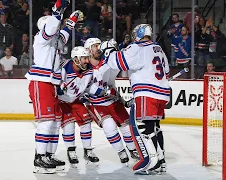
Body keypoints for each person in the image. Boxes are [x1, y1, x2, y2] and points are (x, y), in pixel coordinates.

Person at [25, 0, 84, 174]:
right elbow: (52, 29)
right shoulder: (41, 39)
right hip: (41, 82)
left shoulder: (54, 42)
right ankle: (40, 159)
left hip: (51, 84)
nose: (58, 29)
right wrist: (58, 12)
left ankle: (47, 156)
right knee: (47, 122)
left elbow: (63, 34)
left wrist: (71, 20)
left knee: (55, 122)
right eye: (55, 26)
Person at [101, 24, 170, 174]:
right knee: (155, 128)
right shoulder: (159, 49)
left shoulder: (137, 47)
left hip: (146, 93)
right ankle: (161, 160)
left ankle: (152, 162)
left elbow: (118, 62)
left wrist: (110, 51)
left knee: (142, 128)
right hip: (162, 92)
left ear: (138, 34)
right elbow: (167, 72)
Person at [83, 38, 140, 165]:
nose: (99, 48)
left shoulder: (108, 61)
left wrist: (117, 49)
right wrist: (103, 92)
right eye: (95, 46)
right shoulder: (85, 66)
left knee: (126, 127)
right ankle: (121, 151)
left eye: (99, 45)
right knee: (109, 126)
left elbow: (120, 66)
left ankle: (133, 150)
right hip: (96, 104)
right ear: (88, 50)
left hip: (113, 101)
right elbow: (84, 86)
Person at [57, 46, 100, 167]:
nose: (87, 61)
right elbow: (55, 82)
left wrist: (98, 92)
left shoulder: (89, 69)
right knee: (69, 126)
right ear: (76, 59)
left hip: (76, 100)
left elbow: (89, 86)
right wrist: (57, 88)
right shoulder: (64, 68)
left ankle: (88, 150)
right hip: (63, 102)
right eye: (84, 58)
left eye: (87, 58)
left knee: (86, 122)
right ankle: (71, 151)